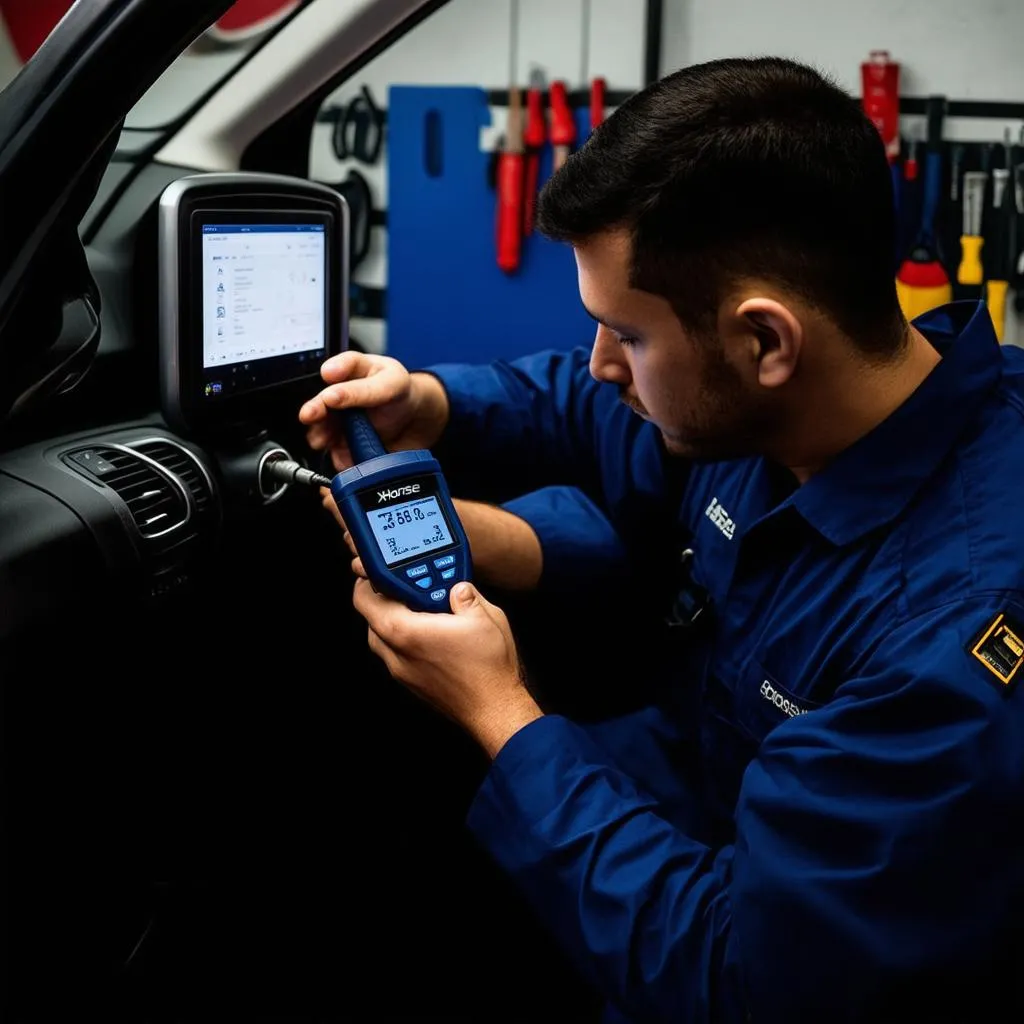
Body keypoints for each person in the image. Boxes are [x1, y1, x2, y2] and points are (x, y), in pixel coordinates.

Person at [299, 57, 1024, 1023]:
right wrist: (432, 401)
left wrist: (499, 713)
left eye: (626, 337)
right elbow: (587, 403)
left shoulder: (948, 638)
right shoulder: (795, 404)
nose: (600, 364)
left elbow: (740, 980)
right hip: (704, 785)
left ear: (765, 343)